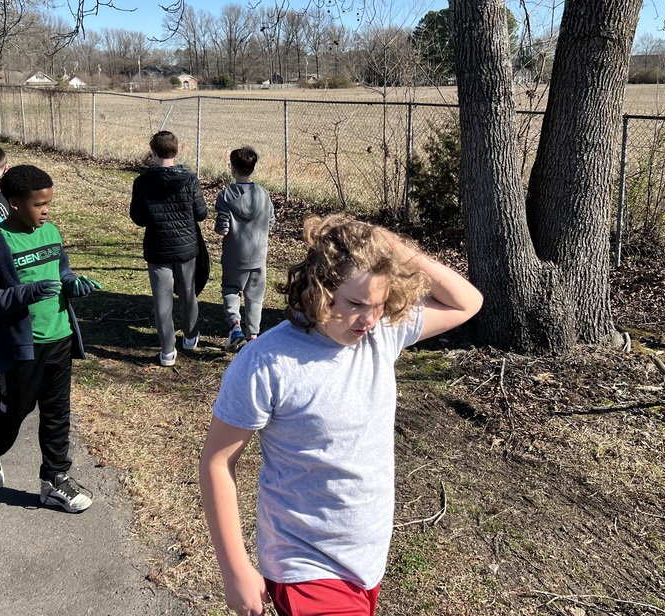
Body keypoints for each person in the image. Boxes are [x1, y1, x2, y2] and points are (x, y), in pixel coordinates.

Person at [200, 214, 483, 616]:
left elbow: (469, 302)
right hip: (304, 563)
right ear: (320, 286)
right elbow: (217, 462)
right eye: (356, 304)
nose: (369, 319)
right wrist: (234, 569)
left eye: (380, 304)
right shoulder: (266, 363)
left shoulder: (384, 335)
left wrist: (391, 247)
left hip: (366, 560)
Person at [0, 164, 101, 512]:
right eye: (39, 205)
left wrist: (72, 283)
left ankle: (54, 480)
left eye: (49, 203)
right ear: (13, 204)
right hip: (21, 349)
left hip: (60, 337)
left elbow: (61, 270)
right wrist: (26, 293)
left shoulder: (51, 231)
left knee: (57, 413)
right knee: (15, 412)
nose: (47, 211)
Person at [129, 130, 208, 367]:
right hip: (186, 248)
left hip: (157, 249)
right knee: (188, 293)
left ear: (152, 152)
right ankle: (191, 337)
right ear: (177, 150)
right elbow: (201, 214)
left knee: (162, 301)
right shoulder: (191, 180)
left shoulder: (142, 182)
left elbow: (138, 218)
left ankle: (167, 351)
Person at [215, 146, 275, 351]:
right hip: (259, 256)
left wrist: (222, 227)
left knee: (231, 289)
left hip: (234, 257)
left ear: (232, 169)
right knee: (255, 296)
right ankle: (253, 337)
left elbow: (223, 229)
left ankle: (235, 326)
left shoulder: (225, 195)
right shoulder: (264, 194)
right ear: (253, 168)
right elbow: (271, 222)